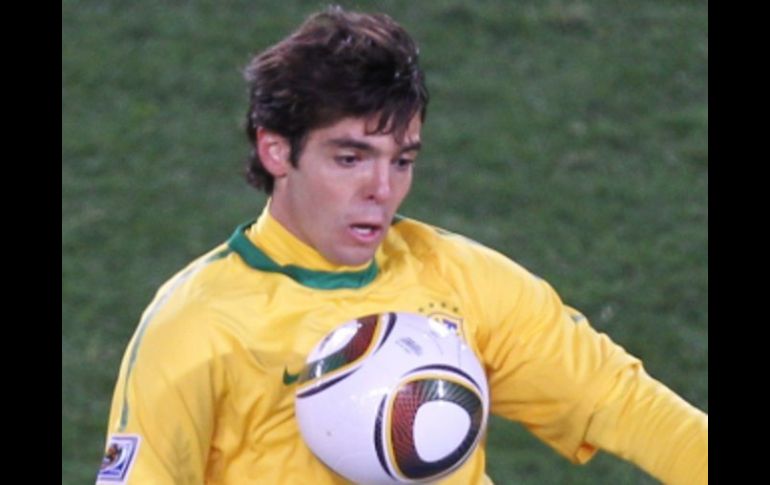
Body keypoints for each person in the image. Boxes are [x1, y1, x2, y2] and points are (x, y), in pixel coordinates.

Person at [97, 6, 707, 485]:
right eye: (350, 158)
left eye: (402, 161)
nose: (382, 190)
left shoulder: (459, 278)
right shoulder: (198, 325)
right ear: (276, 150)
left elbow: (620, 402)